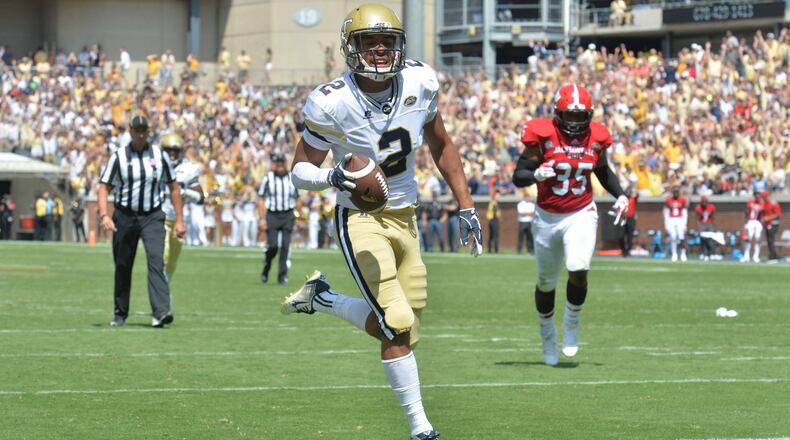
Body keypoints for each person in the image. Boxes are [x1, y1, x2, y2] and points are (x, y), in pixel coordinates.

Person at [281, 5, 483, 439]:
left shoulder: (420, 81)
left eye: (387, 41)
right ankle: (421, 429)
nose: (379, 49)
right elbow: (299, 170)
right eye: (368, 42)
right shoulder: (332, 101)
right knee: (395, 319)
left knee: (406, 327)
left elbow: (441, 143)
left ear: (399, 45)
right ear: (350, 48)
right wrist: (333, 175)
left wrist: (466, 204)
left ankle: (322, 299)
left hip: (406, 215)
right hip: (360, 218)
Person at [512, 83, 628, 366]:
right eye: (570, 116)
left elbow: (602, 170)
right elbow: (519, 175)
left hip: (581, 212)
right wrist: (537, 174)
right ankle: (547, 333)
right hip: (546, 216)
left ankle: (572, 323)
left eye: (580, 117)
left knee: (578, 267)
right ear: (558, 113)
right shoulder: (543, 134)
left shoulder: (597, 137)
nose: (575, 123)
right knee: (546, 282)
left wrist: (621, 194)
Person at [98, 116, 186, 328]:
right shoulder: (119, 156)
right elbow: (104, 186)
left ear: (148, 132)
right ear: (130, 131)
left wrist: (180, 220)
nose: (140, 134)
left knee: (157, 260)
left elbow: (174, 187)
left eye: (144, 130)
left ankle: (161, 311)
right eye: (137, 130)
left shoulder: (159, 155)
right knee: (123, 264)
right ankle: (120, 312)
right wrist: (104, 215)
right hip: (125, 216)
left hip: (152, 216)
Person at [160, 133, 204, 279]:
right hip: (159, 218)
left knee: (172, 260)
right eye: (168, 150)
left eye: (175, 150)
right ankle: (160, 292)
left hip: (177, 220)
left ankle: (165, 288)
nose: (172, 154)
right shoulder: (155, 166)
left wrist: (184, 192)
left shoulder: (188, 169)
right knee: (163, 256)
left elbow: (200, 198)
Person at [257, 152, 299, 284]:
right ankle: (267, 265)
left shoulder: (292, 178)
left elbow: (297, 197)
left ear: (285, 164)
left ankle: (282, 276)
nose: (280, 166)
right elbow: (260, 197)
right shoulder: (268, 178)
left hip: (288, 214)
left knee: (286, 246)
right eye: (278, 163)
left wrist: (298, 215)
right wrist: (262, 218)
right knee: (273, 245)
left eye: (282, 163)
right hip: (273, 215)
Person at [663, 186, 689, 262]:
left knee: (681, 237)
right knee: (673, 237)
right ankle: (674, 253)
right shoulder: (668, 200)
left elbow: (685, 212)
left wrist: (685, 223)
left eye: (677, 192)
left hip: (680, 219)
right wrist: (666, 224)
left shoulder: (683, 200)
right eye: (675, 192)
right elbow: (666, 212)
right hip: (671, 219)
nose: (676, 193)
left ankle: (683, 253)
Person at [741, 191, 764, 263]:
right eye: (757, 195)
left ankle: (756, 256)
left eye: (759, 196)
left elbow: (762, 211)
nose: (758, 197)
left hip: (758, 222)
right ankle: (746, 255)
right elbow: (747, 211)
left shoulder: (762, 203)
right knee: (748, 238)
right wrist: (745, 222)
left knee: (758, 238)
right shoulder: (750, 202)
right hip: (750, 221)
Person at [695, 195, 716, 261]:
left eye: (705, 201)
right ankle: (704, 253)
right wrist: (698, 226)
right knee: (703, 240)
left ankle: (710, 253)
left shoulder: (711, 207)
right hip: (702, 224)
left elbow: (712, 217)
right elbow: (697, 218)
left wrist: (713, 226)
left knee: (710, 239)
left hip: (709, 224)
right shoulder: (698, 207)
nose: (704, 202)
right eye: (703, 201)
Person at [762, 191, 782, 262]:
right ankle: (774, 255)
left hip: (773, 223)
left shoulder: (773, 203)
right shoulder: (764, 203)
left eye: (764, 196)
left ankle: (773, 257)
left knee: (771, 240)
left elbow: (778, 214)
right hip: (767, 224)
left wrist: (768, 218)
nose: (763, 197)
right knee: (769, 240)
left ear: (767, 196)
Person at [619, 187, 638, 257]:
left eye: (629, 191)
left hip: (630, 219)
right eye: (627, 191)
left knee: (630, 236)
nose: (628, 193)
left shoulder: (633, 199)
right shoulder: (622, 200)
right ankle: (623, 250)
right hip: (623, 218)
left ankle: (628, 250)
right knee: (621, 236)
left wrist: (634, 186)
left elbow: (637, 194)